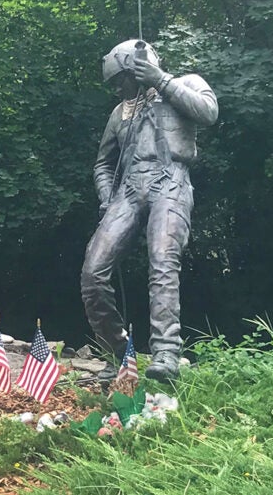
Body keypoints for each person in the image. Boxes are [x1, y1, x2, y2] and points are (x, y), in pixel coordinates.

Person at [80, 40, 218, 383]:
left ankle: (166, 353)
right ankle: (117, 354)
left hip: (171, 179)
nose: (116, 89)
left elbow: (208, 112)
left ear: (136, 71)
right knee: (92, 273)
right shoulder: (119, 114)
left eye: (119, 81)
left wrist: (161, 80)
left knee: (162, 262)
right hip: (127, 189)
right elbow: (103, 164)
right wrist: (106, 198)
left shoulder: (185, 83)